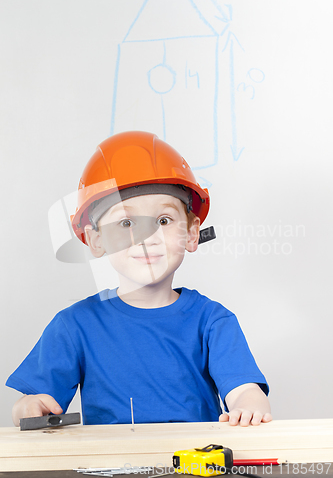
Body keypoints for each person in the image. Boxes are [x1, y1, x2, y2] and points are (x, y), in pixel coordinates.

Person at [6, 131, 272, 427]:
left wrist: (250, 406)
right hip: (112, 467)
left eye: (163, 221)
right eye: (126, 223)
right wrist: (27, 407)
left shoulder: (213, 320)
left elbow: (244, 390)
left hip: (194, 467)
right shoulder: (74, 326)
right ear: (96, 240)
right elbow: (31, 405)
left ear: (192, 232)